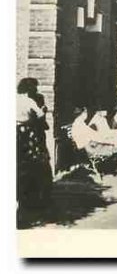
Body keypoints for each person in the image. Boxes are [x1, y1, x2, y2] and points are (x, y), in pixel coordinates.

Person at [16, 78, 52, 210]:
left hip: (16, 134)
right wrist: (43, 110)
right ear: (30, 89)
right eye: (34, 88)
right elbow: (40, 115)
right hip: (29, 135)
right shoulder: (29, 101)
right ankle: (37, 197)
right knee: (35, 163)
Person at [71, 107, 117, 178]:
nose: (87, 114)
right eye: (86, 112)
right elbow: (98, 138)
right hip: (92, 150)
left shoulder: (77, 124)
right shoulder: (82, 126)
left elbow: (95, 137)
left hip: (88, 148)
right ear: (83, 114)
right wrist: (112, 142)